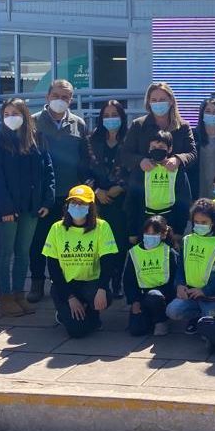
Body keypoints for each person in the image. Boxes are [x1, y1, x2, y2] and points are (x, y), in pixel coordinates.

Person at [0, 98, 55, 317]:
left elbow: (48, 172)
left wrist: (47, 201)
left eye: (15, 113)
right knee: (5, 253)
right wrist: (5, 208)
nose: (11, 117)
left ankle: (19, 295)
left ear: (25, 115)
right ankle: (5, 297)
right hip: (6, 211)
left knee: (23, 253)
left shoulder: (37, 140)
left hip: (31, 208)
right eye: (6, 114)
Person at [27, 79, 92, 303]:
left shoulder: (79, 124)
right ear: (47, 97)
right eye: (56, 96)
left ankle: (66, 282)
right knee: (39, 242)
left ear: (71, 100)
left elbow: (85, 158)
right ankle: (37, 282)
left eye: (65, 97)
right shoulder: (32, 123)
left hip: (70, 196)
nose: (60, 100)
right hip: (43, 196)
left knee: (69, 241)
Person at [42, 185, 119, 339]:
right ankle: (69, 314)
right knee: (77, 332)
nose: (77, 206)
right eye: (74, 202)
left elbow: (108, 263)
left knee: (104, 298)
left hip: (91, 284)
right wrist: (70, 297)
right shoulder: (56, 229)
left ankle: (91, 313)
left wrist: (103, 289)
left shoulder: (102, 227)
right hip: (65, 285)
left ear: (91, 207)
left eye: (82, 203)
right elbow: (53, 269)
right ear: (67, 206)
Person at [121, 81, 198, 199]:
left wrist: (178, 160)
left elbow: (192, 153)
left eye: (162, 99)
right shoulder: (138, 125)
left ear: (171, 101)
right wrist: (140, 161)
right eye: (154, 100)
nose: (158, 103)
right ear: (149, 102)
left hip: (175, 189)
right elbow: (125, 154)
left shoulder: (183, 126)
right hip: (143, 189)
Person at [166, 198, 215, 332]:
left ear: (212, 222)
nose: (199, 225)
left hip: (212, 296)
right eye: (196, 222)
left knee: (211, 318)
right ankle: (196, 317)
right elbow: (181, 267)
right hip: (191, 294)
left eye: (204, 222)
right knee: (172, 311)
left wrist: (204, 291)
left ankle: (208, 319)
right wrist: (179, 285)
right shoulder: (187, 240)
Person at [88, 99, 130, 296]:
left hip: (121, 201)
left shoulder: (129, 140)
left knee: (120, 243)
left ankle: (117, 281)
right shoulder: (91, 141)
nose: (111, 119)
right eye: (107, 115)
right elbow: (82, 169)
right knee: (100, 242)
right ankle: (101, 280)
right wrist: (97, 190)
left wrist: (121, 187)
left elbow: (135, 171)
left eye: (115, 115)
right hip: (97, 200)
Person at [125, 130, 191, 247]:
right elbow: (132, 201)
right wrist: (132, 231)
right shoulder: (141, 169)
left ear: (169, 149)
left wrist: (179, 231)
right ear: (149, 149)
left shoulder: (177, 170)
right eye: (154, 146)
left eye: (161, 146)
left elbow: (184, 202)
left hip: (170, 221)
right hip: (144, 220)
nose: (157, 149)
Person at [125, 215, 179, 336]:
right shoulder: (134, 252)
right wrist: (134, 301)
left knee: (154, 297)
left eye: (154, 233)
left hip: (162, 297)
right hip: (141, 296)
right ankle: (149, 318)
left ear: (163, 235)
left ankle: (162, 321)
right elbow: (129, 281)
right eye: (147, 233)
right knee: (136, 330)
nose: (150, 236)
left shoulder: (169, 252)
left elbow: (175, 280)